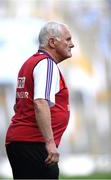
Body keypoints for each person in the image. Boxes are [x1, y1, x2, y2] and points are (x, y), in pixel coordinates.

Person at [5, 21, 74, 179]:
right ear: (52, 42)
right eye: (68, 39)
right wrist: (49, 143)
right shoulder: (47, 64)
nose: (72, 44)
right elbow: (40, 102)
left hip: (22, 142)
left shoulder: (30, 63)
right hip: (35, 143)